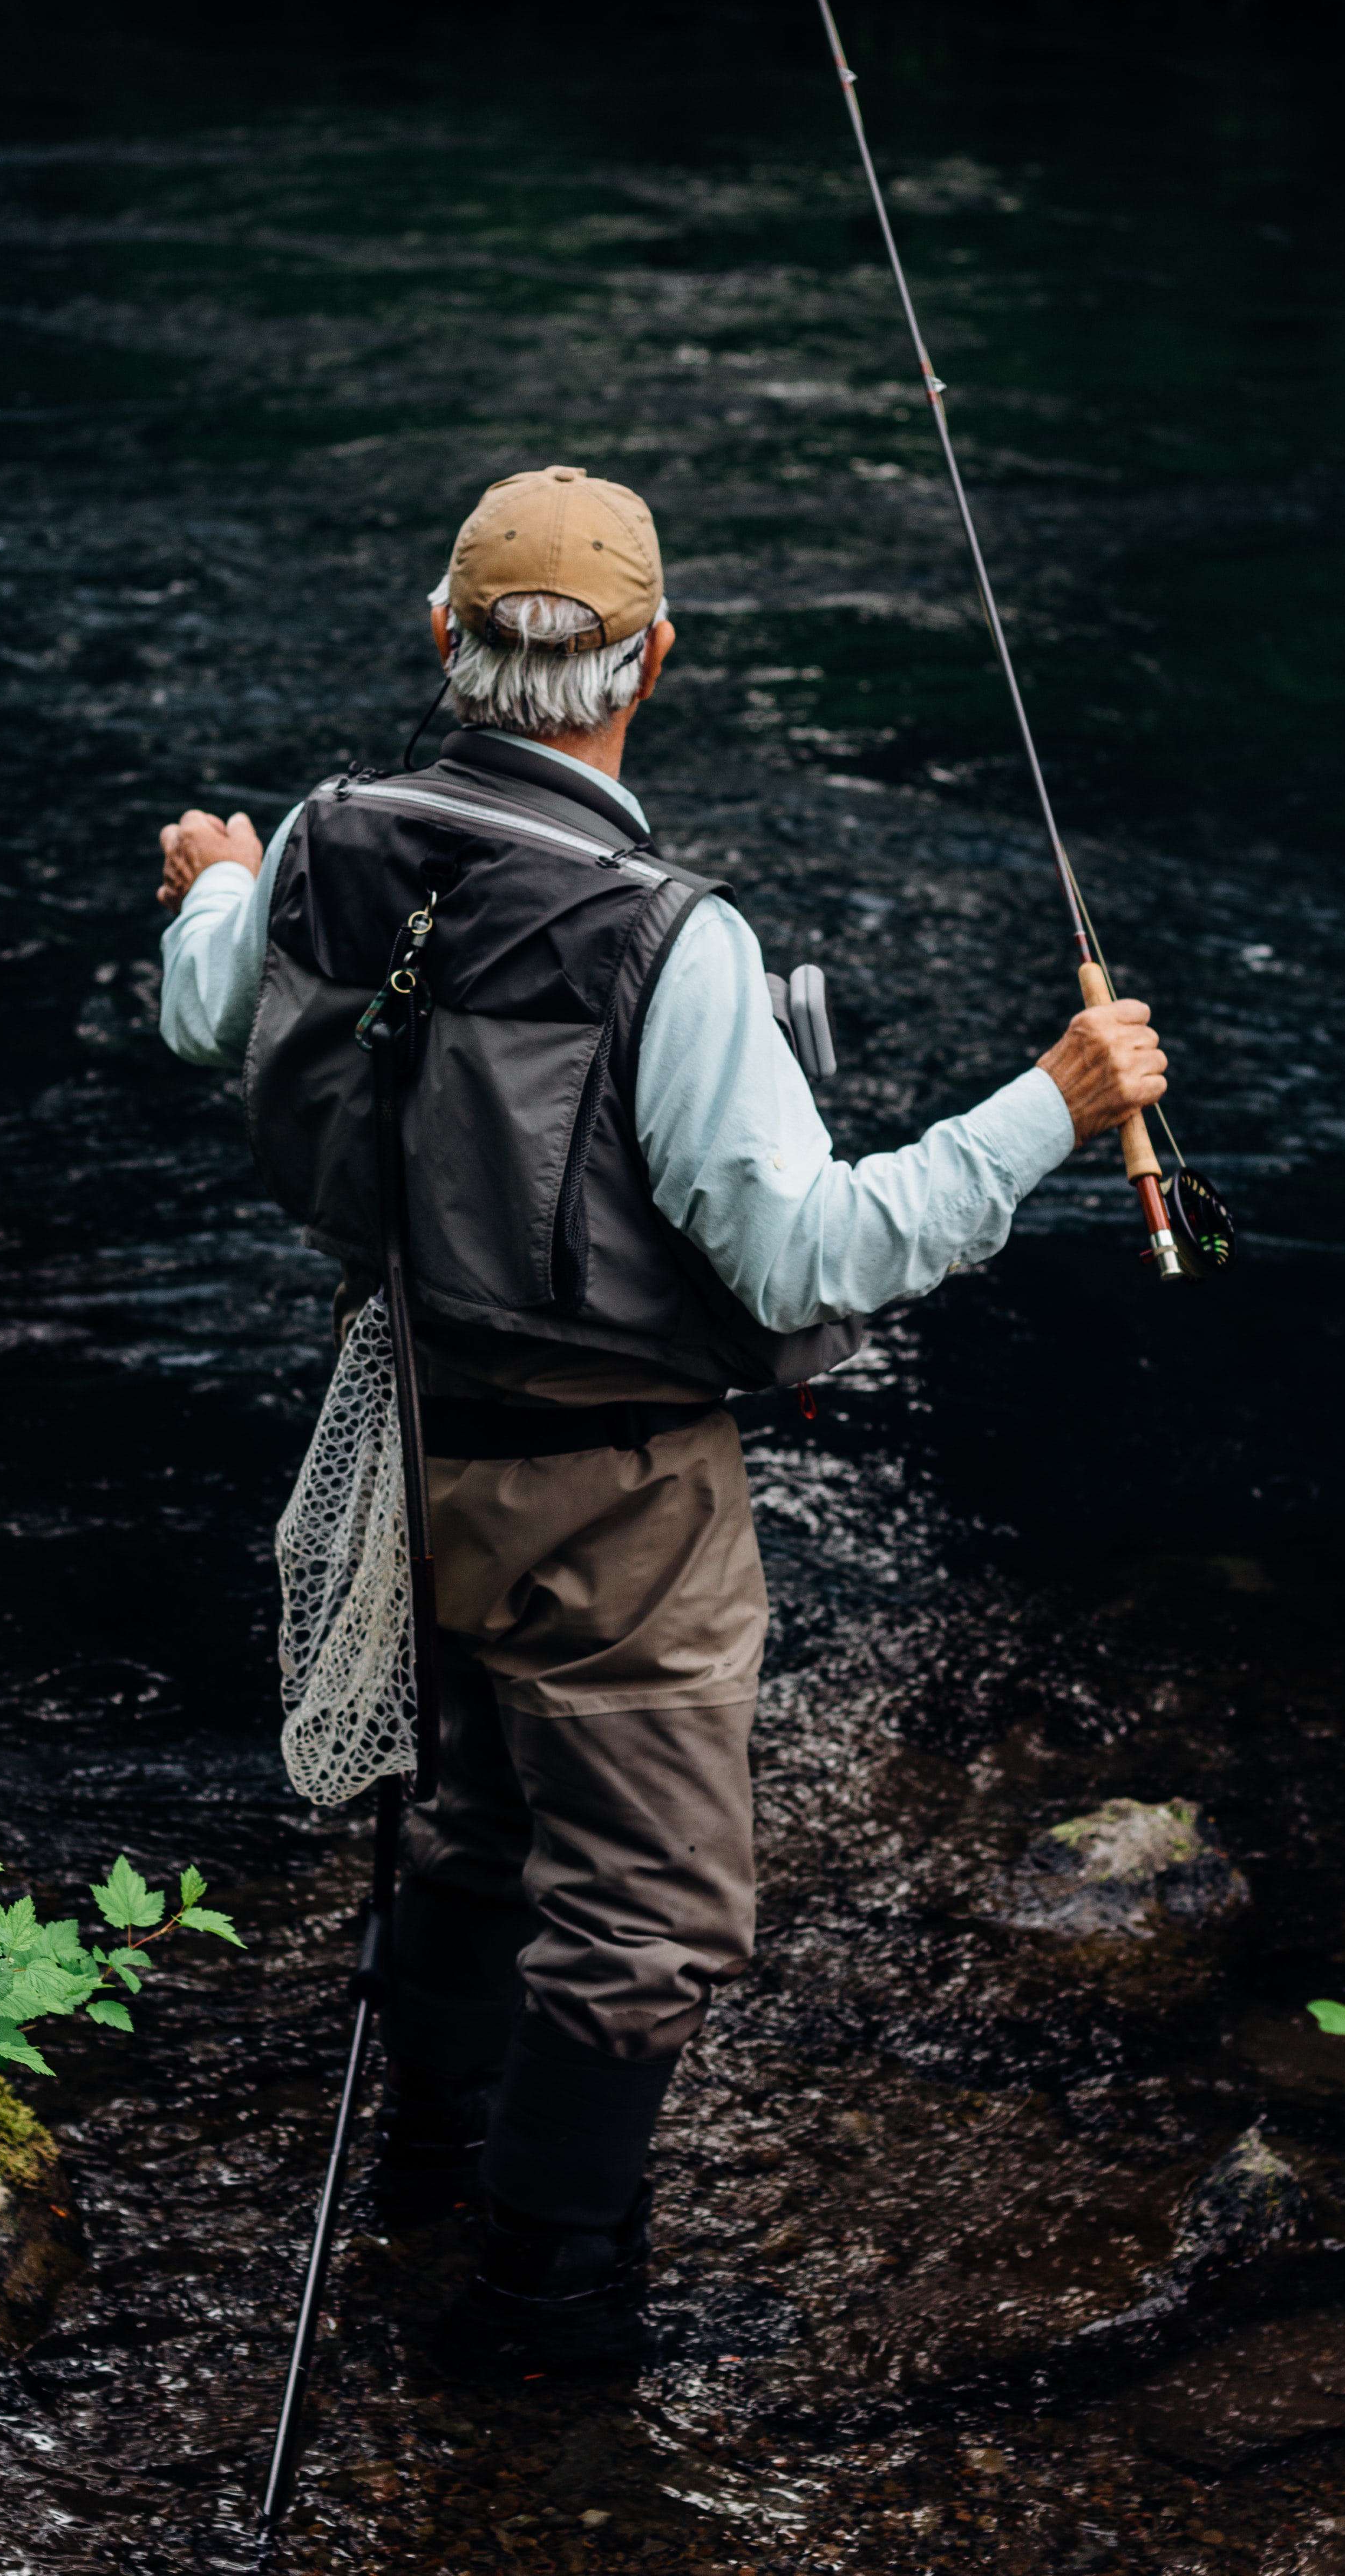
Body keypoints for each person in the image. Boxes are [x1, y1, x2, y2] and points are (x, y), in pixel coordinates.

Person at [154, 463, 1166, 2380]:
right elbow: (807, 1261)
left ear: (445, 641)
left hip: (412, 1440)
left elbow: (217, 1011)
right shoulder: (667, 940)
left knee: (462, 1833)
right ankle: (545, 2319)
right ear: (656, 660)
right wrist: (1057, 1096)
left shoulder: (321, 842)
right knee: (648, 1916)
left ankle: (432, 2188)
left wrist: (216, 884)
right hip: (619, 1504)